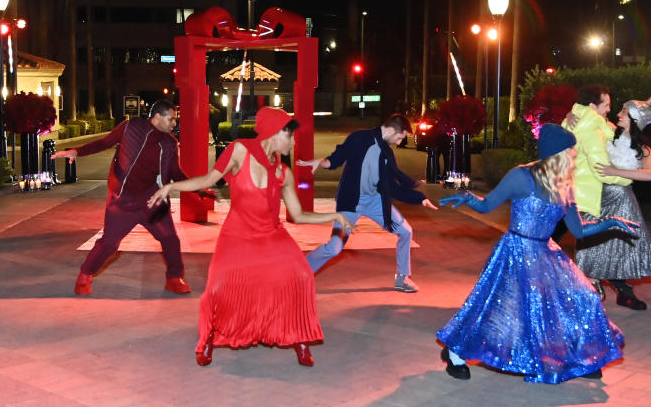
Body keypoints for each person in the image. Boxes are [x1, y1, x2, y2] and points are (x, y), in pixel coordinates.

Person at [147, 107, 351, 368]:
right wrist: (171, 186)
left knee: (300, 275)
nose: (294, 141)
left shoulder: (283, 173)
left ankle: (299, 337)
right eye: (290, 136)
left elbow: (299, 215)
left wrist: (333, 217)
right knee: (218, 287)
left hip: (271, 235)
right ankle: (210, 336)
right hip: (237, 235)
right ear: (276, 133)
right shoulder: (239, 150)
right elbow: (209, 179)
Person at [436, 125, 639, 384]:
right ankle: (455, 352)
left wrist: (611, 222)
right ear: (559, 154)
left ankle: (581, 356)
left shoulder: (565, 185)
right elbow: (487, 205)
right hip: (515, 252)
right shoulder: (521, 176)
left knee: (584, 296)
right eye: (572, 151)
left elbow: (578, 230)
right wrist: (469, 198)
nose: (576, 156)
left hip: (545, 252)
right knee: (499, 311)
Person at [55, 100, 193, 296]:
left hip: (152, 199)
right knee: (109, 243)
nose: (174, 124)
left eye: (175, 120)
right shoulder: (130, 127)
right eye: (171, 119)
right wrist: (77, 151)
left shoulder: (170, 143)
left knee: (170, 238)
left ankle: (174, 278)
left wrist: (197, 188)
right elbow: (105, 143)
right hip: (123, 199)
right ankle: (85, 275)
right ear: (157, 117)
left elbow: (175, 172)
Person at [299, 113, 437, 292]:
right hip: (351, 203)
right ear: (391, 129)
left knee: (405, 232)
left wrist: (419, 198)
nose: (399, 142)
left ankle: (402, 277)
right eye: (400, 137)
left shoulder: (386, 153)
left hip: (376, 202)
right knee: (334, 248)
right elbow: (338, 157)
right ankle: (301, 273)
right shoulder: (358, 138)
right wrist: (322, 162)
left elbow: (392, 187)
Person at [579, 95, 651, 314]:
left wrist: (614, 171)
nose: (617, 114)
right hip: (598, 197)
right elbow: (588, 115)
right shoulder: (610, 132)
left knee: (641, 245)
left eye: (623, 112)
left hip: (622, 199)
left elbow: (650, 174)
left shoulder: (644, 149)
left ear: (634, 120)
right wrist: (572, 116)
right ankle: (594, 286)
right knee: (590, 243)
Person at [553, 85, 632, 268]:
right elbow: (601, 169)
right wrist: (627, 178)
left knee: (553, 238)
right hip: (581, 195)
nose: (610, 109)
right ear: (592, 106)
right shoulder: (592, 132)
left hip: (565, 190)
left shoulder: (574, 123)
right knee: (593, 244)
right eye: (606, 105)